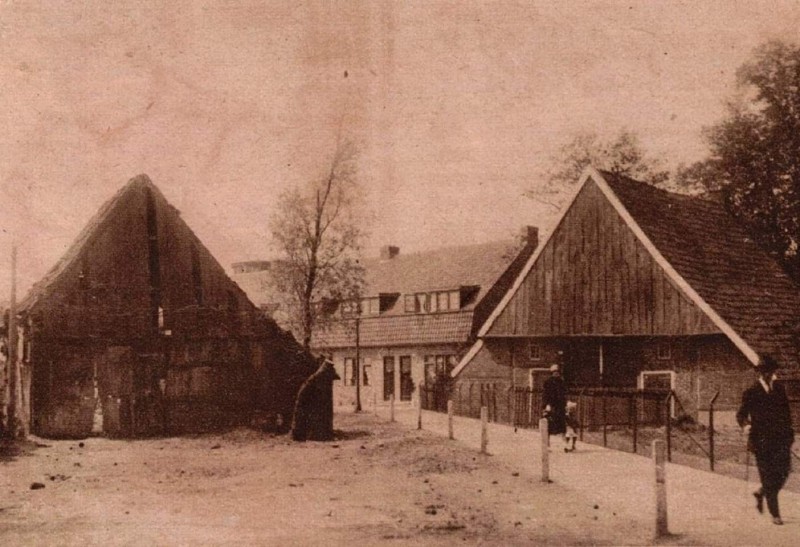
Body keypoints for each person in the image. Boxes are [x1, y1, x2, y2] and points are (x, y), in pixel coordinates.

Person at [736, 355, 794, 525]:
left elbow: (786, 414)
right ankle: (775, 514)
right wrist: (746, 426)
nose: (768, 374)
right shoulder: (751, 392)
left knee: (784, 471)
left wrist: (790, 434)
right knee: (768, 476)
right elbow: (741, 415)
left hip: (781, 440)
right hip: (760, 441)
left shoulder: (779, 389)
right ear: (760, 373)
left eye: (771, 371)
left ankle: (762, 492)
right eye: (765, 371)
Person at [542, 364, 567, 448]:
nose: (556, 373)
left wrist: (565, 404)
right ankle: (547, 443)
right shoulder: (548, 382)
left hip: (560, 406)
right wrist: (546, 405)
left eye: (557, 372)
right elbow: (545, 395)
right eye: (554, 372)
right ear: (551, 373)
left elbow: (564, 394)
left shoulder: (562, 382)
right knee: (549, 424)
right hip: (551, 406)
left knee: (562, 425)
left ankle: (564, 443)